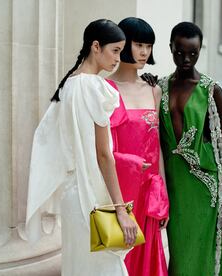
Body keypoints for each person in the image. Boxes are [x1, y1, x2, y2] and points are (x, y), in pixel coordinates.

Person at [25, 19, 138, 276]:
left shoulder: (68, 85)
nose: (118, 59)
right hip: (91, 196)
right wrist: (120, 209)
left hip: (71, 196)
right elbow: (103, 155)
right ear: (96, 46)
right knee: (106, 268)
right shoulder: (95, 87)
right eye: (115, 51)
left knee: (78, 267)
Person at [158, 22, 222, 276]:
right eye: (179, 52)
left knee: (202, 254)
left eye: (193, 53)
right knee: (181, 254)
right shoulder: (159, 88)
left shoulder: (211, 90)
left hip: (206, 190)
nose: (186, 58)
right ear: (170, 48)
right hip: (174, 188)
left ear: (200, 51)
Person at [107, 17, 169, 276]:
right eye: (139, 44)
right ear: (123, 44)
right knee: (121, 259)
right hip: (121, 191)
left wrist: (163, 190)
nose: (145, 52)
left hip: (149, 190)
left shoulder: (154, 91)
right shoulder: (106, 89)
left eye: (149, 46)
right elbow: (102, 150)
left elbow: (158, 146)